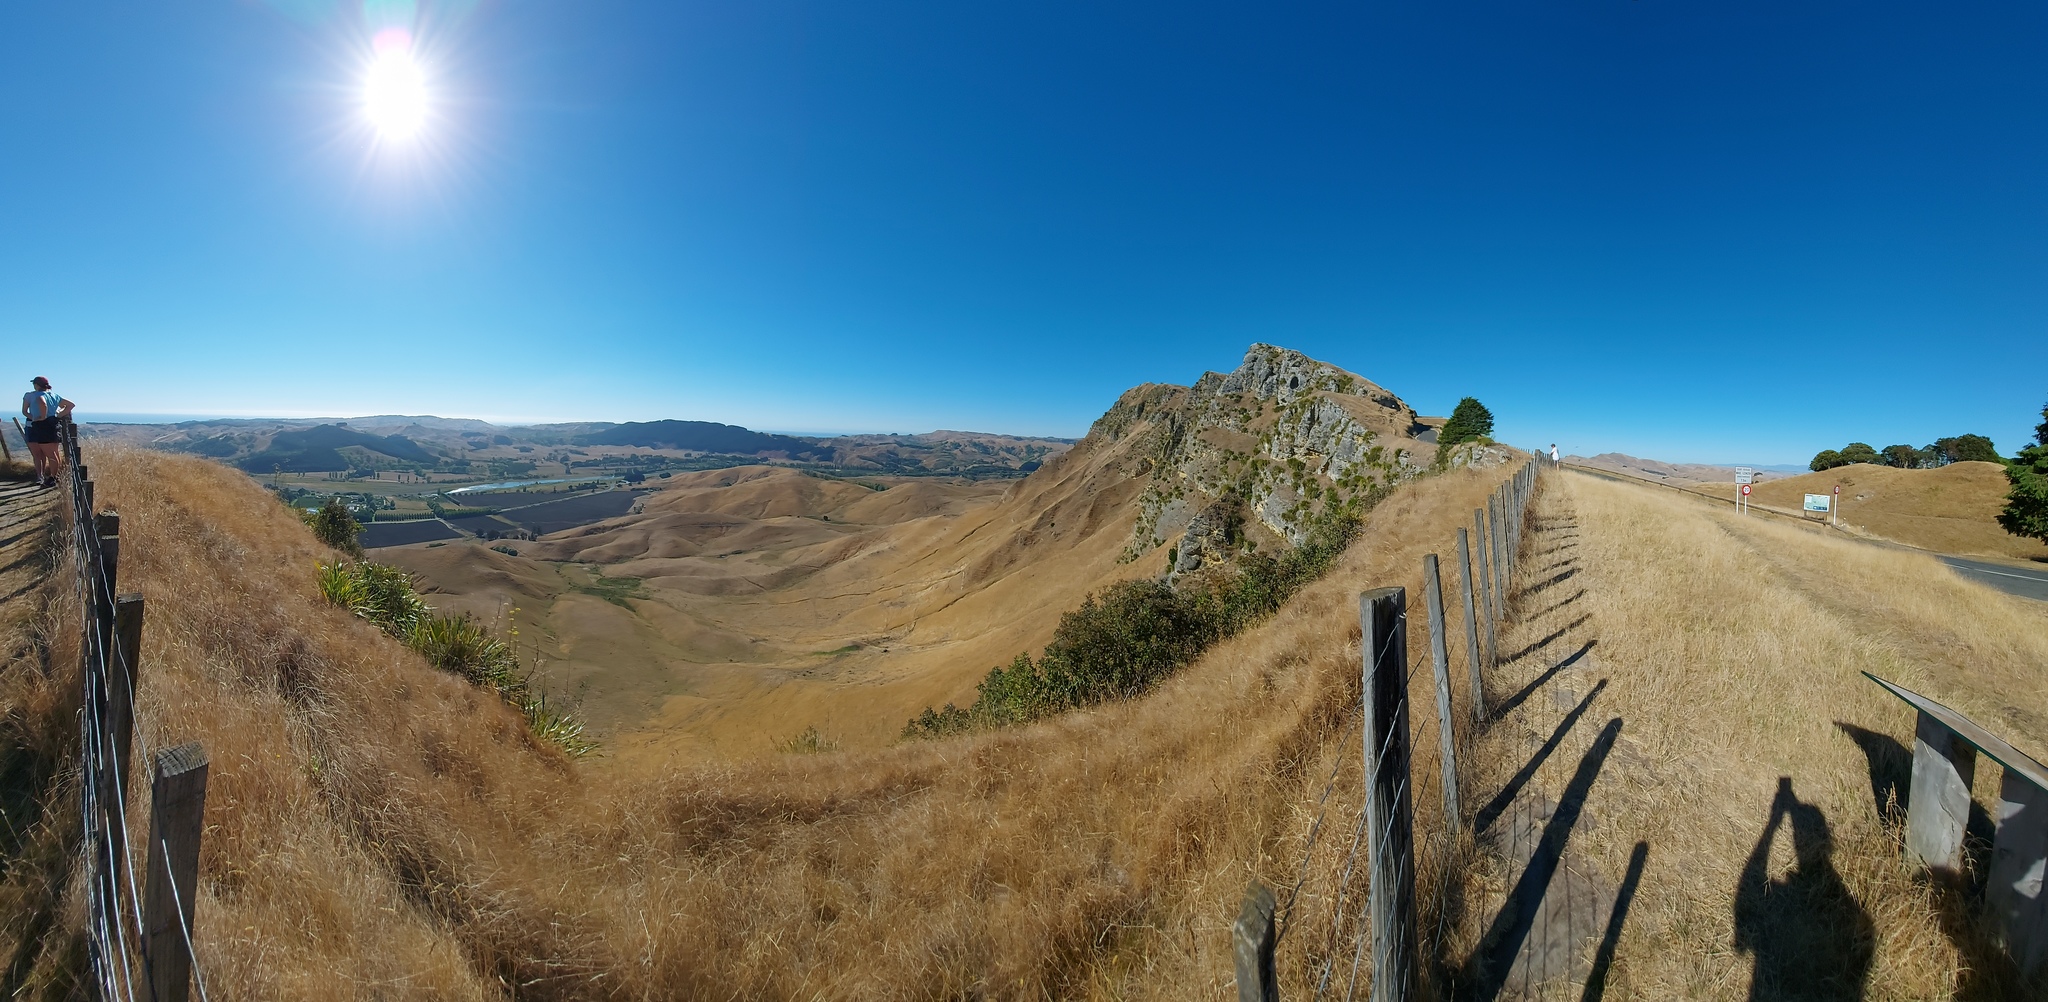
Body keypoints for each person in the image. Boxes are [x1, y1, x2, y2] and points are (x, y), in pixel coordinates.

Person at [21, 376, 74, 488]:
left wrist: (41, 417)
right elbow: (70, 405)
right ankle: (56, 476)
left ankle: (52, 478)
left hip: (42, 426)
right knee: (54, 453)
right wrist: (57, 415)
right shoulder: (54, 395)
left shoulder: (38, 396)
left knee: (50, 455)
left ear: (37, 385)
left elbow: (42, 403)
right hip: (53, 424)